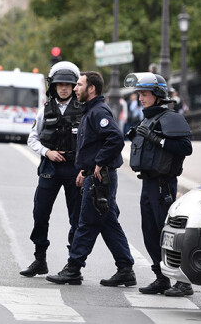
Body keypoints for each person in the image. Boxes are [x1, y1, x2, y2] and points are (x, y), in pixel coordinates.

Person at [46, 71, 136, 287]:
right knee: (107, 222)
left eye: (79, 84)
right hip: (94, 176)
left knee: (86, 222)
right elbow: (93, 145)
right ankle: (125, 268)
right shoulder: (90, 111)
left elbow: (115, 138)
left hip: (100, 178)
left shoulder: (98, 112)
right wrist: (85, 170)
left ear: (91, 88)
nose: (75, 88)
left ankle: (74, 268)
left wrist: (98, 163)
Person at [125, 73, 194, 297]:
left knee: (168, 234)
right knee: (149, 231)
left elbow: (185, 147)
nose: (141, 98)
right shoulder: (147, 118)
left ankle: (183, 282)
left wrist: (157, 139)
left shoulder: (170, 117)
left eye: (144, 94)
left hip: (163, 184)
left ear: (157, 95)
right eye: (139, 94)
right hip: (148, 182)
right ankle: (161, 277)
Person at [21, 61, 83, 277]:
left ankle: (73, 265)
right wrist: (47, 152)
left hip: (75, 169)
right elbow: (32, 138)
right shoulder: (44, 109)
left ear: (74, 86)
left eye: (68, 84)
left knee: (76, 217)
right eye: (60, 85)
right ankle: (40, 259)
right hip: (50, 168)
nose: (64, 88)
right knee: (40, 213)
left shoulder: (83, 110)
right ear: (53, 87)